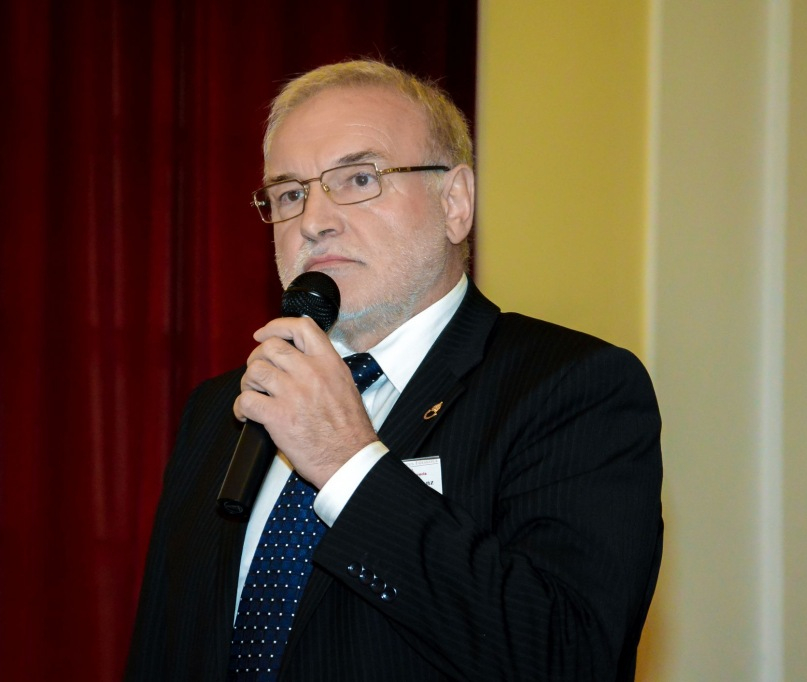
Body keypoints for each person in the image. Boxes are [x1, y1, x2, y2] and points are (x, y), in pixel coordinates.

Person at [125, 59, 662, 681]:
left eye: (359, 178)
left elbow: (570, 656)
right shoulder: (226, 407)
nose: (313, 221)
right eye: (291, 193)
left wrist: (347, 464)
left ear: (455, 202)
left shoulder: (573, 388)